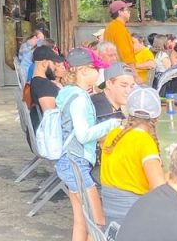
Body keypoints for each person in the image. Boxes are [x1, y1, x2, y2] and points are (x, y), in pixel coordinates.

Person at [54, 48, 122, 241]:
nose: (99, 72)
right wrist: (112, 124)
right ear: (83, 70)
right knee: (97, 221)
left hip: (68, 161)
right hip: (77, 162)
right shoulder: (79, 98)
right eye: (95, 68)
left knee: (82, 221)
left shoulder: (67, 92)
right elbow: (84, 135)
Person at [100, 86, 166, 225]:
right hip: (133, 220)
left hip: (110, 215)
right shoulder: (145, 142)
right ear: (157, 116)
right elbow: (160, 188)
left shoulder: (113, 134)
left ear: (128, 111)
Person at [28, 45, 64, 126]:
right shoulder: (44, 86)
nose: (54, 67)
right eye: (53, 63)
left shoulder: (37, 81)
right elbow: (51, 120)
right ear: (44, 63)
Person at [103, 0, 136, 65]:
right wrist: (135, 74)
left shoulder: (110, 27)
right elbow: (126, 55)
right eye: (127, 10)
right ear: (120, 12)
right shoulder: (119, 28)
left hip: (114, 67)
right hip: (122, 69)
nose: (129, 12)